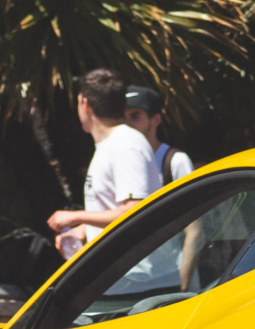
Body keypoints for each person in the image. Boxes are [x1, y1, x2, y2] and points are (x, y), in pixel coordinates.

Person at [45, 68, 156, 257]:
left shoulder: (126, 144)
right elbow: (111, 213)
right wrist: (82, 230)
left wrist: (76, 216)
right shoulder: (111, 145)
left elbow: (136, 210)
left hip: (137, 274)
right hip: (120, 271)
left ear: (85, 104)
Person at [126, 84, 193, 190]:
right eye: (121, 117)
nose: (126, 124)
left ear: (156, 120)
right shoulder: (119, 162)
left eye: (135, 116)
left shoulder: (176, 161)